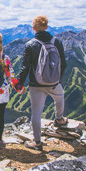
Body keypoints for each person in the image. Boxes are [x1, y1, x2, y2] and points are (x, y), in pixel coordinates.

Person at [17, 15, 68, 151]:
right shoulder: (57, 42)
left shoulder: (30, 44)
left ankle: (37, 142)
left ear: (34, 28)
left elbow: (25, 67)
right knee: (60, 97)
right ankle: (59, 119)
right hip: (54, 83)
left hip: (36, 86)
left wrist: (19, 84)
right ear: (47, 27)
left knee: (36, 114)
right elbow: (63, 64)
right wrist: (57, 80)